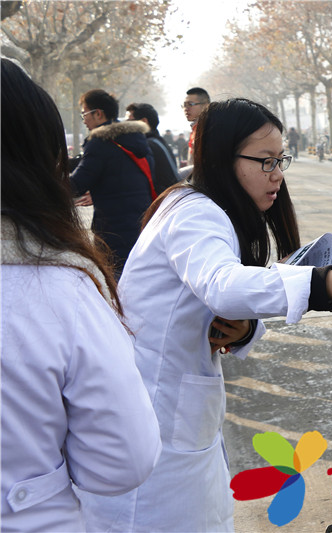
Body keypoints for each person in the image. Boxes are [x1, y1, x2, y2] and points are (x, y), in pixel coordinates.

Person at [76, 97, 332, 532]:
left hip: (177, 417)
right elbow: (221, 285)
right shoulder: (195, 212)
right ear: (224, 158)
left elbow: (218, 302)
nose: (277, 174)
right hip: (155, 422)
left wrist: (242, 330)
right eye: (265, 161)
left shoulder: (207, 210)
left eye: (280, 160)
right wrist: (321, 284)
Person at [0, 58, 161, 532]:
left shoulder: (101, 147)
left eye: (87, 111)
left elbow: (81, 183)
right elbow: (122, 461)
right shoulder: (60, 289)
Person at [70, 89, 155, 277]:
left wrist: (45, 187)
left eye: (85, 113)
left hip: (113, 228)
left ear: (98, 113)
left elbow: (77, 184)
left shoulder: (100, 142)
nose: (84, 119)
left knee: (114, 280)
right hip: (142, 222)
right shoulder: (137, 139)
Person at [126, 102, 179, 194]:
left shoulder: (146, 146)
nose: (126, 124)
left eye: (130, 120)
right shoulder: (158, 141)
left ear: (143, 121)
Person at [183, 87, 210, 164]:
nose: (186, 109)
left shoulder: (209, 129)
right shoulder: (195, 128)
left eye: (190, 104)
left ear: (206, 105)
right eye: (184, 105)